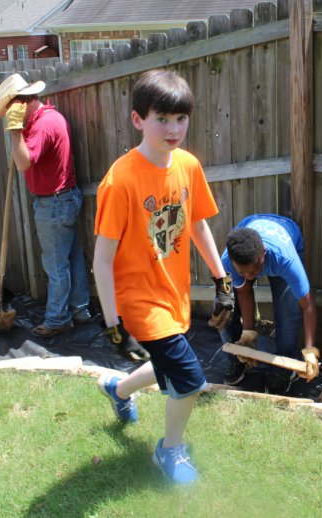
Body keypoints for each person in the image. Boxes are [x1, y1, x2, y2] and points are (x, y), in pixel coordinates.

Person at [92, 69, 233, 485]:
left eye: (181, 119)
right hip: (138, 301)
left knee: (165, 365)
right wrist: (113, 323)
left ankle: (118, 390)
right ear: (138, 119)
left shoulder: (188, 166)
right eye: (162, 119)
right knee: (189, 380)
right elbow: (102, 260)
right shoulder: (120, 181)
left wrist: (222, 281)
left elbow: (197, 224)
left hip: (174, 295)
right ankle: (169, 451)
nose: (174, 129)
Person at [0, 73, 92, 338]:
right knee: (71, 256)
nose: (8, 115)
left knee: (55, 264)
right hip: (64, 199)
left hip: (54, 205)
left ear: (20, 103)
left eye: (10, 109)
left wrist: (15, 131)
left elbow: (23, 162)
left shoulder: (43, 125)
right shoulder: (48, 118)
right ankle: (79, 309)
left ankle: (58, 319)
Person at [215, 214, 320, 394]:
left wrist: (310, 350)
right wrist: (248, 335)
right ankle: (237, 357)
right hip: (251, 226)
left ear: (263, 252)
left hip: (286, 234)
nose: (251, 276)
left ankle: (285, 366)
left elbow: (307, 304)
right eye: (244, 272)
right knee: (221, 305)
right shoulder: (227, 262)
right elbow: (245, 291)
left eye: (256, 269)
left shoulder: (285, 258)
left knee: (287, 308)